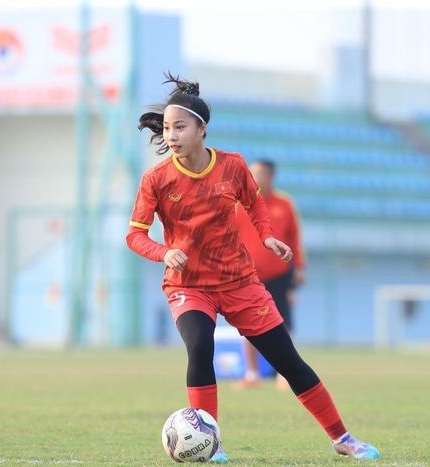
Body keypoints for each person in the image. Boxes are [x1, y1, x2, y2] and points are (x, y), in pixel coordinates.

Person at [126, 72, 380, 463]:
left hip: (239, 281)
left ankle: (342, 438)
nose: (171, 135)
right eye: (166, 128)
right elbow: (135, 235)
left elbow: (254, 202)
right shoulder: (156, 179)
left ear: (201, 129)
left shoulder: (232, 166)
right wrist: (163, 252)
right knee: (199, 346)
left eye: (180, 127)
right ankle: (211, 444)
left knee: (288, 361)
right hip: (188, 284)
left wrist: (266, 235)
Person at [235, 160, 306, 390]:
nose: (256, 178)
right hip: (246, 275)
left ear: (271, 177)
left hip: (278, 274)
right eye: (252, 173)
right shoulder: (238, 202)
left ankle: (283, 374)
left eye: (260, 174)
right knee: (247, 325)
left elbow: (294, 236)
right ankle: (252, 373)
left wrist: (299, 267)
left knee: (282, 323)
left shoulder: (284, 204)